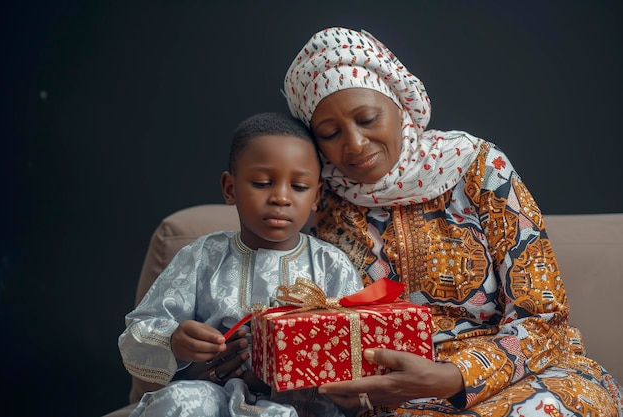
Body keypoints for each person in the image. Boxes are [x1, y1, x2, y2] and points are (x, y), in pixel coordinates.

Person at [283, 27, 623, 417]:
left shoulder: (476, 167)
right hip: (386, 399)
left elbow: (543, 316)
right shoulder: (316, 200)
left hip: (519, 378)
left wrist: (454, 375)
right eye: (330, 133)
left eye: (368, 118)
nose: (355, 144)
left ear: (400, 105)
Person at [118, 112, 364, 417]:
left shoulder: (331, 265)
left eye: (299, 187)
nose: (281, 197)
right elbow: (137, 333)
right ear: (230, 188)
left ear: (317, 195)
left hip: (298, 407)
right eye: (262, 183)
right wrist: (176, 342)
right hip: (211, 398)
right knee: (179, 402)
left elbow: (358, 347)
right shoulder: (203, 256)